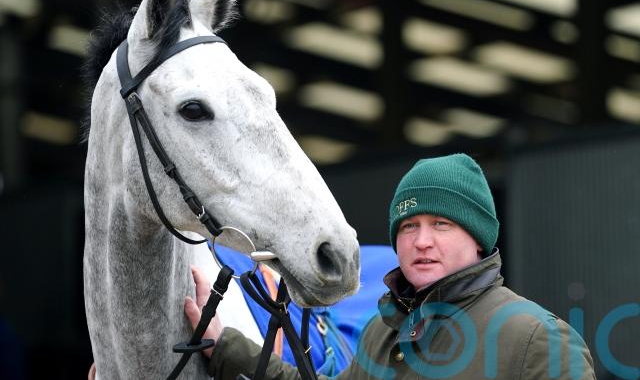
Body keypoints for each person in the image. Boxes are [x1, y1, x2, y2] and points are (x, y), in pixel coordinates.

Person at [185, 153, 596, 379]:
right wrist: (227, 347)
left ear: (478, 238)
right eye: (409, 226)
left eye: (441, 224)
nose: (422, 241)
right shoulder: (381, 334)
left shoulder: (536, 337)